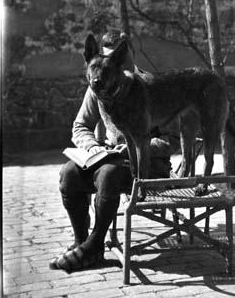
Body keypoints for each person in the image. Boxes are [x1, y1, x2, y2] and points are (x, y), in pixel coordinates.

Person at [50, 29, 178, 273]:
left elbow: (171, 140)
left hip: (148, 166)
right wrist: (94, 147)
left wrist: (137, 145)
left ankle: (94, 247)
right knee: (69, 173)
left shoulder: (153, 86)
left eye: (119, 56)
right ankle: (81, 241)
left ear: (127, 54)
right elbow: (80, 126)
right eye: (106, 59)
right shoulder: (97, 88)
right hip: (107, 158)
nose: (109, 66)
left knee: (109, 174)